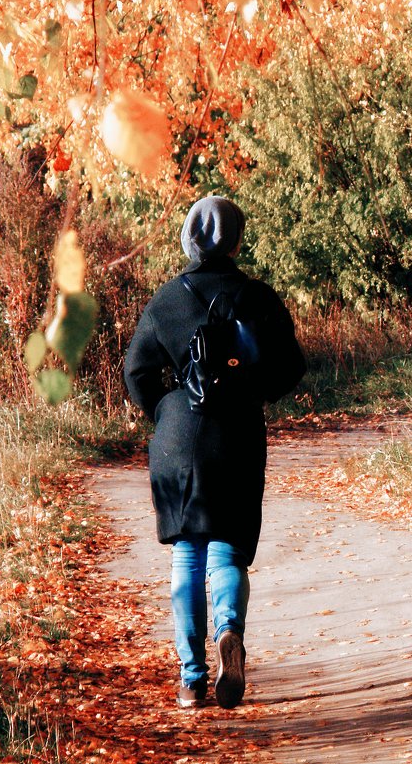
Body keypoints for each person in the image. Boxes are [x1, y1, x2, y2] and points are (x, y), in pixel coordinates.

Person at [123, 195, 307, 709]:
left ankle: (191, 678)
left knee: (188, 551)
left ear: (188, 238)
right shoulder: (259, 297)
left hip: (179, 436)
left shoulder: (167, 300)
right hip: (239, 433)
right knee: (226, 545)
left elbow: (136, 371)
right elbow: (291, 368)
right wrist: (253, 391)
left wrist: (166, 409)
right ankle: (230, 629)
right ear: (237, 240)